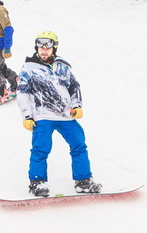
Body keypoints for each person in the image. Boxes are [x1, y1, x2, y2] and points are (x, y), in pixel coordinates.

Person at [16, 31, 102, 197]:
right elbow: (22, 93)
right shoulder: (29, 68)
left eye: (47, 47)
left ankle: (83, 181)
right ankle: (37, 182)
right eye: (40, 47)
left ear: (54, 48)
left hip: (65, 115)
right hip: (42, 116)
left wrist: (76, 106)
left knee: (79, 143)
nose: (44, 50)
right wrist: (27, 116)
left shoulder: (63, 66)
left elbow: (74, 87)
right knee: (41, 148)